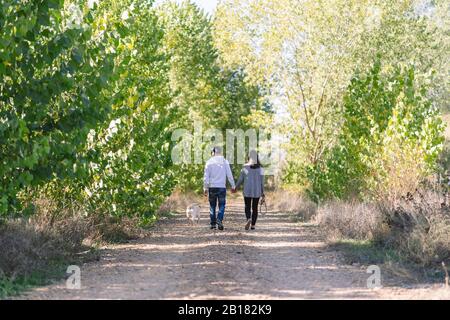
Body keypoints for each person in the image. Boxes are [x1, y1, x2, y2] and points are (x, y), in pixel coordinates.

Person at [203, 146, 235, 230]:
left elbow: (206, 177)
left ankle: (213, 224)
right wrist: (233, 185)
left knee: (212, 206)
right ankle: (219, 219)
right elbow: (229, 174)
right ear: (220, 152)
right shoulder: (225, 161)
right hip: (221, 187)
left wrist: (205, 188)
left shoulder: (209, 162)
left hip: (212, 187)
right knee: (222, 205)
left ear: (213, 152)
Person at [235, 150, 264, 230]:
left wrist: (235, 187)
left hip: (247, 190)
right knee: (255, 208)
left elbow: (241, 179)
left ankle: (248, 218)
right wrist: (263, 193)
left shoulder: (245, 167)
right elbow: (262, 182)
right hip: (257, 191)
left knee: (247, 206)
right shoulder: (261, 169)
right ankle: (253, 225)